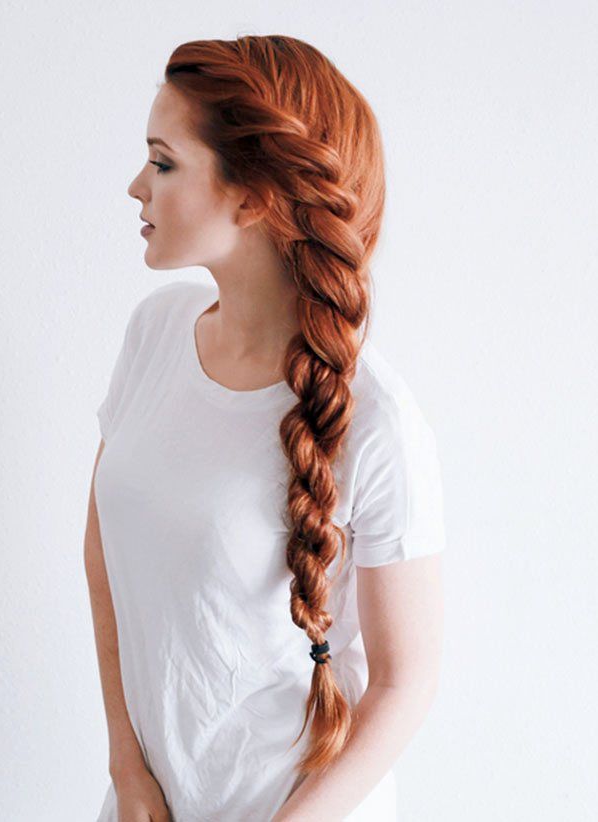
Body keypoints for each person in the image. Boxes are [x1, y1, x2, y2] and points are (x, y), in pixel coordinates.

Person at [84, 35, 446, 822]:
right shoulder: (154, 333)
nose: (136, 186)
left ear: (251, 198)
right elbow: (103, 547)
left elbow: (405, 681)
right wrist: (128, 767)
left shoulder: (377, 421)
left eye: (163, 163)